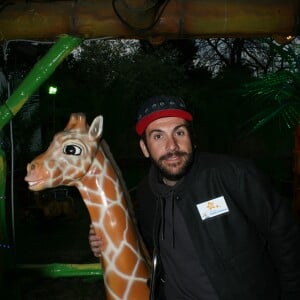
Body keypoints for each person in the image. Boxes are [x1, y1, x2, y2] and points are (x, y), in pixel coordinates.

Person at [89, 95, 300, 300]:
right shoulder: (146, 193)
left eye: (179, 132)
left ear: (191, 138)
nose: (171, 146)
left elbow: (286, 237)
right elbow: (145, 244)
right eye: (158, 136)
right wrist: (105, 238)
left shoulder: (234, 175)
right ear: (145, 148)